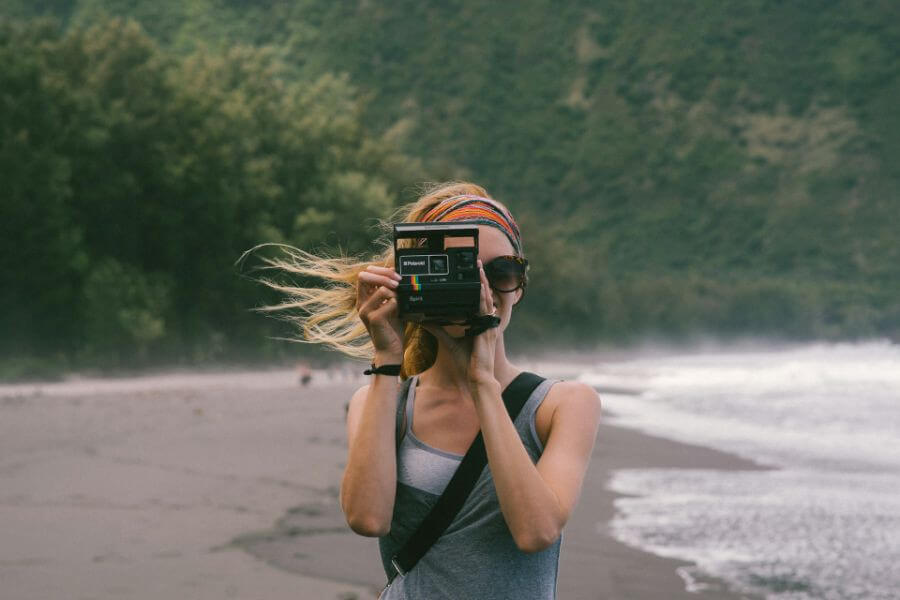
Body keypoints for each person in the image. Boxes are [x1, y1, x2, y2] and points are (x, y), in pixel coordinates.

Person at [261, 182, 601, 599]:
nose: (483, 289)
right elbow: (367, 518)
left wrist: (484, 385)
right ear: (419, 277)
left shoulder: (563, 405)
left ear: (521, 286)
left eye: (502, 272)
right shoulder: (380, 401)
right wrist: (387, 356)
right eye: (461, 269)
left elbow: (536, 531)